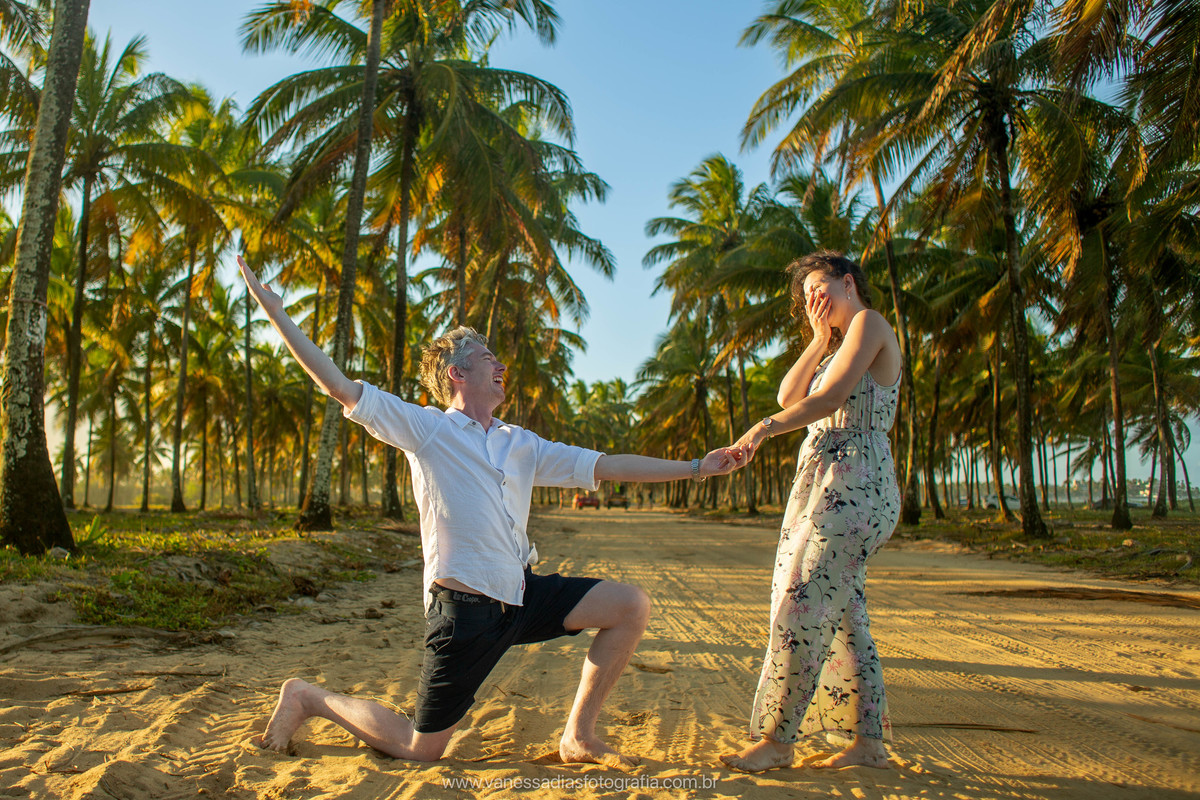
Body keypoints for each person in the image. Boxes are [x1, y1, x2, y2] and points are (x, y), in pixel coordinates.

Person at [236, 256, 744, 768]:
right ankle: (307, 697)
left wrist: (697, 467)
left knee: (630, 605)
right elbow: (340, 386)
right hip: (464, 613)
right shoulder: (428, 430)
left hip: (521, 595)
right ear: (457, 373)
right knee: (420, 748)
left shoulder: (520, 443)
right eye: (487, 358)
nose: (500, 366)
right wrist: (276, 312)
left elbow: (607, 465)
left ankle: (578, 736)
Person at [720, 250, 903, 773]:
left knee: (801, 604)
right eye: (805, 297)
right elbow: (790, 395)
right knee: (845, 614)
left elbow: (828, 401)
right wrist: (819, 338)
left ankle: (778, 740)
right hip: (827, 483)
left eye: (818, 289)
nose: (812, 301)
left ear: (848, 283)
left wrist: (761, 429)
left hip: (855, 483)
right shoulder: (838, 344)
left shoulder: (869, 323)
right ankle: (869, 744)